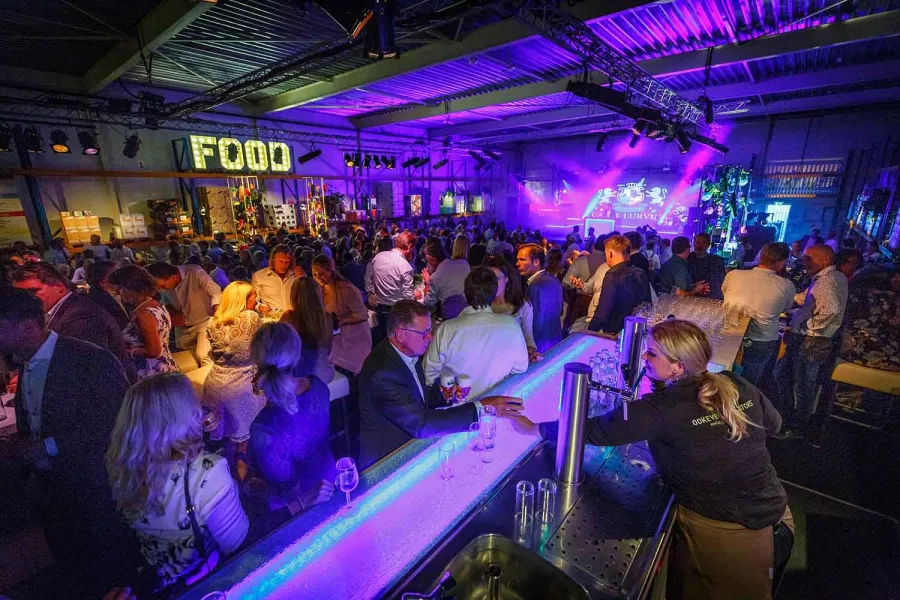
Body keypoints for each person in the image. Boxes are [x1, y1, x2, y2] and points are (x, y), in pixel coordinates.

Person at [512, 320, 792, 600]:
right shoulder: (734, 382)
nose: (644, 356)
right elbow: (774, 424)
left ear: (677, 367)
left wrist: (535, 427)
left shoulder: (661, 409)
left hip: (727, 532)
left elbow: (595, 430)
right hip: (777, 512)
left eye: (652, 353)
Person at [0, 288, 141, 598]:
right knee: (75, 568)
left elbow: (113, 421)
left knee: (110, 569)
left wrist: (45, 447)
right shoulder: (26, 363)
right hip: (54, 492)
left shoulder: (90, 359)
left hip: (94, 489)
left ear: (27, 327)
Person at [106, 373, 249, 593]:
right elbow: (238, 545)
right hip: (206, 582)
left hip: (160, 585)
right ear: (186, 416)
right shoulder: (208, 472)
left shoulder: (123, 468)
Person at [357, 300, 524, 469]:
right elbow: (421, 425)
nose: (430, 337)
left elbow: (418, 397)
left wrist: (446, 395)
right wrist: (480, 409)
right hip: (386, 461)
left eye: (430, 331)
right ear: (401, 334)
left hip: (407, 446)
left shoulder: (406, 353)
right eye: (424, 333)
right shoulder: (382, 373)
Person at [248, 323, 336, 523]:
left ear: (257, 362)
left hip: (296, 514)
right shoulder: (318, 387)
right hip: (331, 484)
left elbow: (283, 490)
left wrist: (245, 477)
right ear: (296, 355)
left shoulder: (262, 428)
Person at [774, 244, 848, 439]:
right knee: (785, 375)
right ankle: (789, 417)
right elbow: (808, 298)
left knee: (802, 384)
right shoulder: (831, 277)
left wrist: (809, 325)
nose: (804, 261)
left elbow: (831, 310)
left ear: (824, 260)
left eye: (809, 258)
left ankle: (797, 427)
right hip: (812, 338)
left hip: (813, 339)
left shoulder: (828, 280)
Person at [11, 261, 134, 379]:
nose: (26, 300)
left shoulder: (81, 318)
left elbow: (83, 370)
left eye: (32, 292)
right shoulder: (60, 311)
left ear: (59, 287)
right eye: (20, 295)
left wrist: (33, 377)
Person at [424, 267, 529, 398]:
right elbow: (520, 367)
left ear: (465, 293)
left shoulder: (446, 329)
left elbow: (429, 373)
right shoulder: (511, 325)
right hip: (495, 404)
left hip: (457, 405)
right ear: (494, 293)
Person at [203, 281, 265, 456]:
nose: (256, 300)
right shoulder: (251, 317)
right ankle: (244, 461)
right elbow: (262, 348)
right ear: (242, 299)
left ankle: (229, 461)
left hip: (214, 385)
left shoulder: (212, 322)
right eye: (253, 297)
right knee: (245, 439)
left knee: (227, 438)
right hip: (242, 385)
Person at [722, 243, 796, 387]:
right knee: (748, 383)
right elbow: (786, 308)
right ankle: (744, 399)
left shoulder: (733, 275)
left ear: (760, 257)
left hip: (730, 333)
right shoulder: (786, 285)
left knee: (722, 376)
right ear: (781, 263)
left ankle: (721, 399)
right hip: (762, 339)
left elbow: (725, 293)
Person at [109, 265, 179, 381]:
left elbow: (154, 351)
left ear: (132, 288)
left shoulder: (144, 314)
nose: (117, 293)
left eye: (120, 288)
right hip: (164, 366)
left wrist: (130, 352)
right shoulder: (155, 304)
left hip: (152, 372)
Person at [311, 255, 372, 376]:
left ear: (330, 270)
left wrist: (340, 321)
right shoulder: (319, 290)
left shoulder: (347, 289)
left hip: (355, 338)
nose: (318, 277)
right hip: (335, 338)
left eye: (322, 273)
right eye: (315, 274)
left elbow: (363, 315)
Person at [148, 261, 222, 359]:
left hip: (204, 321)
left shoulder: (194, 271)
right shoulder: (165, 287)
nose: (162, 289)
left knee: (203, 355)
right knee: (186, 356)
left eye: (163, 286)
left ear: (173, 277)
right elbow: (166, 303)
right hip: (182, 327)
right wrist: (173, 312)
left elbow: (215, 291)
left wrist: (218, 315)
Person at [586, 235, 651, 335]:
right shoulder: (640, 273)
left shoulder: (612, 275)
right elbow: (647, 305)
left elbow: (603, 311)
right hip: (635, 331)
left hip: (613, 333)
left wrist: (589, 332)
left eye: (606, 254)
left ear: (610, 253)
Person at [281, 278, 335, 384]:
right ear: (318, 295)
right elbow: (328, 348)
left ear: (294, 296)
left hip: (298, 374)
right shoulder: (327, 317)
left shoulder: (289, 317)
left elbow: (280, 349)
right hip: (323, 373)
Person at [485, 257, 540, 362]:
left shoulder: (522, 305)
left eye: (497, 278)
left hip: (511, 362)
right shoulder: (480, 304)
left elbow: (528, 338)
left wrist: (530, 353)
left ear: (506, 279)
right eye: (489, 279)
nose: (493, 283)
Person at [366, 230, 416, 343]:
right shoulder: (405, 267)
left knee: (382, 339)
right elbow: (408, 298)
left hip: (380, 308)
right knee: (395, 341)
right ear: (410, 247)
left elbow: (368, 277)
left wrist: (371, 292)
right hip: (397, 311)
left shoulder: (378, 257)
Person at [516, 243, 563, 352]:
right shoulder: (554, 280)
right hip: (554, 342)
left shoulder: (536, 286)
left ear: (536, 262)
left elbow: (534, 321)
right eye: (517, 259)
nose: (517, 263)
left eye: (522, 260)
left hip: (538, 347)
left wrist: (531, 348)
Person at [423, 236, 470, 320]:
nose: (428, 263)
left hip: (449, 318)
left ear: (433, 259)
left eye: (427, 260)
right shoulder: (464, 263)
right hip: (466, 312)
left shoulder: (435, 277)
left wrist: (427, 282)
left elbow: (428, 303)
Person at [251, 244, 305, 316]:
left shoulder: (297, 274)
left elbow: (307, 297)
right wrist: (260, 307)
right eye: (280, 261)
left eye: (287, 262)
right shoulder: (259, 276)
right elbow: (253, 300)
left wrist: (303, 279)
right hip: (272, 319)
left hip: (295, 318)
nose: (284, 265)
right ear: (273, 260)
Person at [87, 259, 130, 330]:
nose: (122, 276)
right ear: (103, 282)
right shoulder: (97, 303)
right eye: (116, 274)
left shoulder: (120, 293)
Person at [688, 232, 727, 300]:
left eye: (703, 243)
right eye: (697, 242)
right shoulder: (688, 259)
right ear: (693, 243)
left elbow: (719, 283)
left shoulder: (716, 261)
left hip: (710, 297)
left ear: (708, 245)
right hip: (689, 296)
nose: (700, 246)